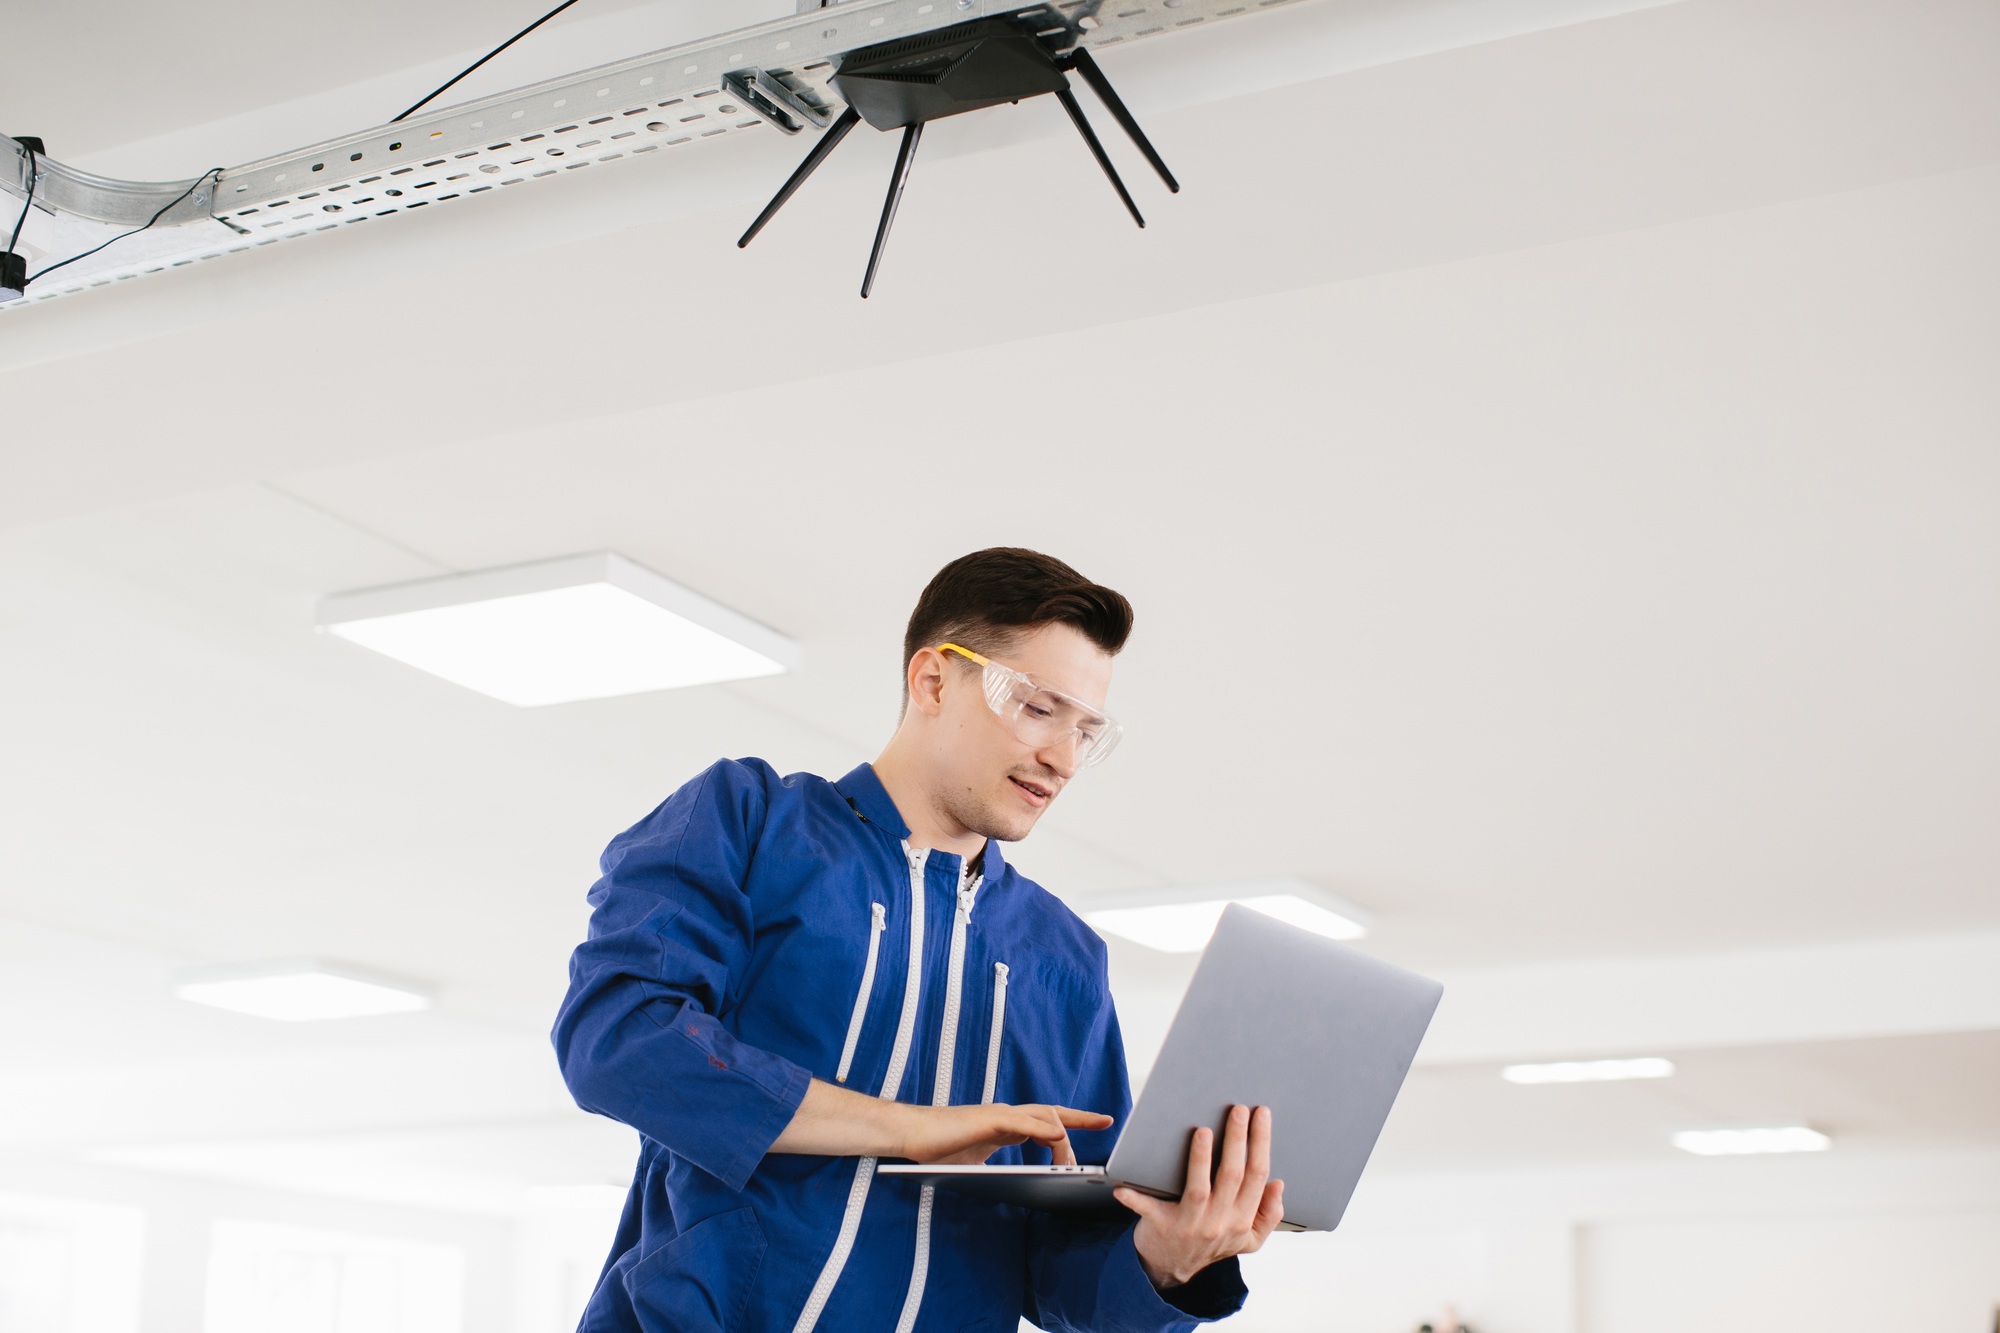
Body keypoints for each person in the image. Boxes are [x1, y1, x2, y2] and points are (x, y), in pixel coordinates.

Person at [553, 548, 1285, 1332]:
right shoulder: (750, 821)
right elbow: (619, 1038)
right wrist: (908, 1127)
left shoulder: (1063, 959)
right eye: (1039, 709)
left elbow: (1058, 1266)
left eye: (1086, 731)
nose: (1063, 759)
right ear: (933, 679)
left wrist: (1167, 1259)